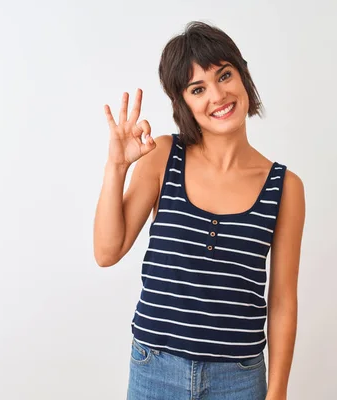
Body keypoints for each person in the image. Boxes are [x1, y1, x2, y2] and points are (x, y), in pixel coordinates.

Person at [94, 21, 305, 400]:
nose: (218, 94)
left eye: (225, 75)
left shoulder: (285, 188)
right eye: (198, 88)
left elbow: (283, 300)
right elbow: (107, 252)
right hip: (154, 369)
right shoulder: (161, 157)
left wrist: (277, 392)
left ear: (243, 75)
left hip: (238, 379)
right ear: (183, 102)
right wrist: (117, 167)